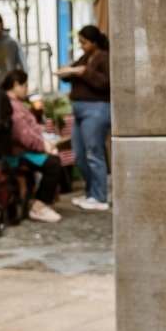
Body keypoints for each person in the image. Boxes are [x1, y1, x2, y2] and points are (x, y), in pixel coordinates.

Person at [57, 24, 111, 211]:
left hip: (96, 109)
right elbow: (71, 73)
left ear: (95, 42)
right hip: (79, 110)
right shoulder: (85, 57)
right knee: (79, 155)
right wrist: (67, 71)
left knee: (94, 153)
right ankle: (90, 193)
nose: (82, 46)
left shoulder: (104, 58)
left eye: (85, 42)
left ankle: (100, 196)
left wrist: (84, 72)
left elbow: (106, 82)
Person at [0, 69, 65, 223]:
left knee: (53, 161)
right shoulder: (12, 106)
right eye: (25, 86)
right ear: (16, 85)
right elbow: (23, 135)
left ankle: (38, 202)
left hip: (22, 149)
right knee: (54, 165)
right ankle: (39, 205)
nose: (26, 90)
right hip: (19, 153)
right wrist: (42, 146)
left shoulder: (13, 104)